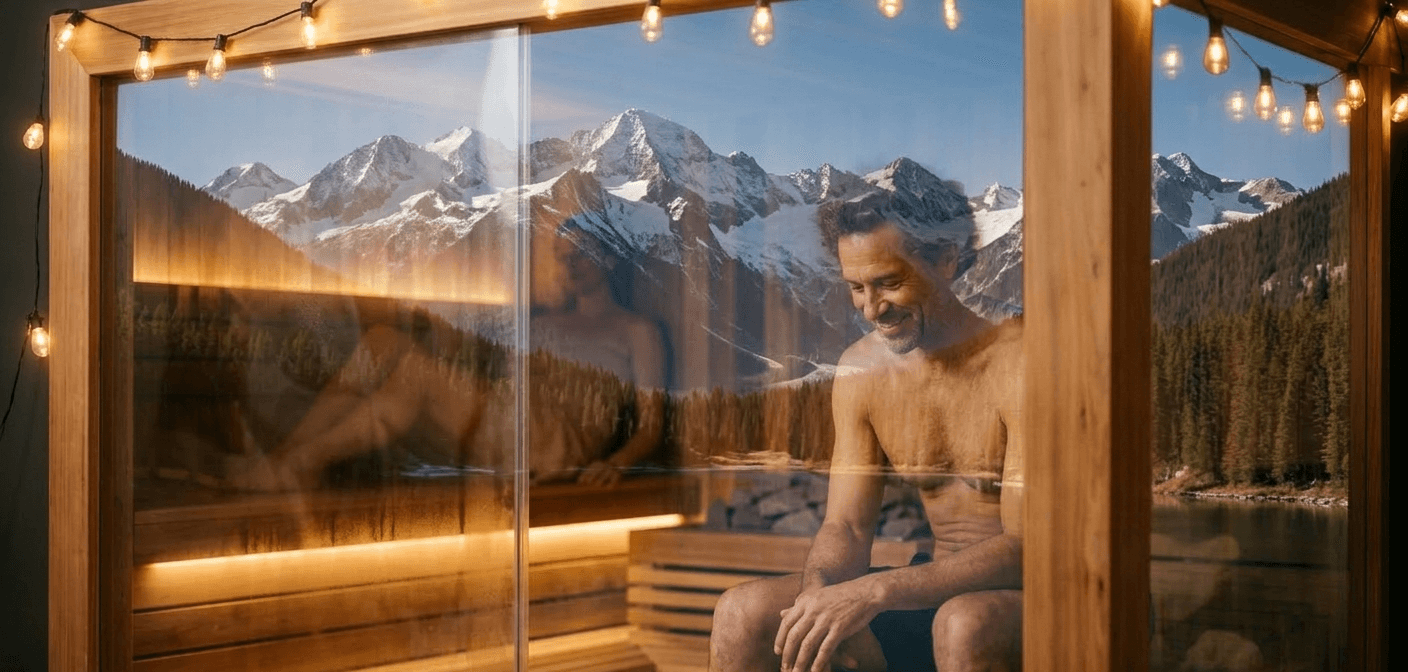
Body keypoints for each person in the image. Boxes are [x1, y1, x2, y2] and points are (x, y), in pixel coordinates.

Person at [708, 195, 1024, 672]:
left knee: (963, 623)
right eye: (856, 287)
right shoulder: (862, 370)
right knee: (742, 612)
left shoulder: (1019, 363)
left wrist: (874, 592)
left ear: (945, 261)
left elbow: (1027, 547)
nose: (872, 308)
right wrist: (820, 596)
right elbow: (847, 527)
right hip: (930, 592)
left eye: (888, 283)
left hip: (1035, 595)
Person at [226, 225, 666, 491]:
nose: (571, 265)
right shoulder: (546, 323)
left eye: (582, 253)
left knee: (416, 373)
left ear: (608, 256)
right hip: (510, 422)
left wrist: (615, 464)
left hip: (558, 446)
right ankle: (284, 459)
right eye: (562, 256)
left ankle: (302, 466)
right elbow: (505, 381)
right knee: (381, 339)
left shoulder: (635, 330)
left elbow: (651, 425)